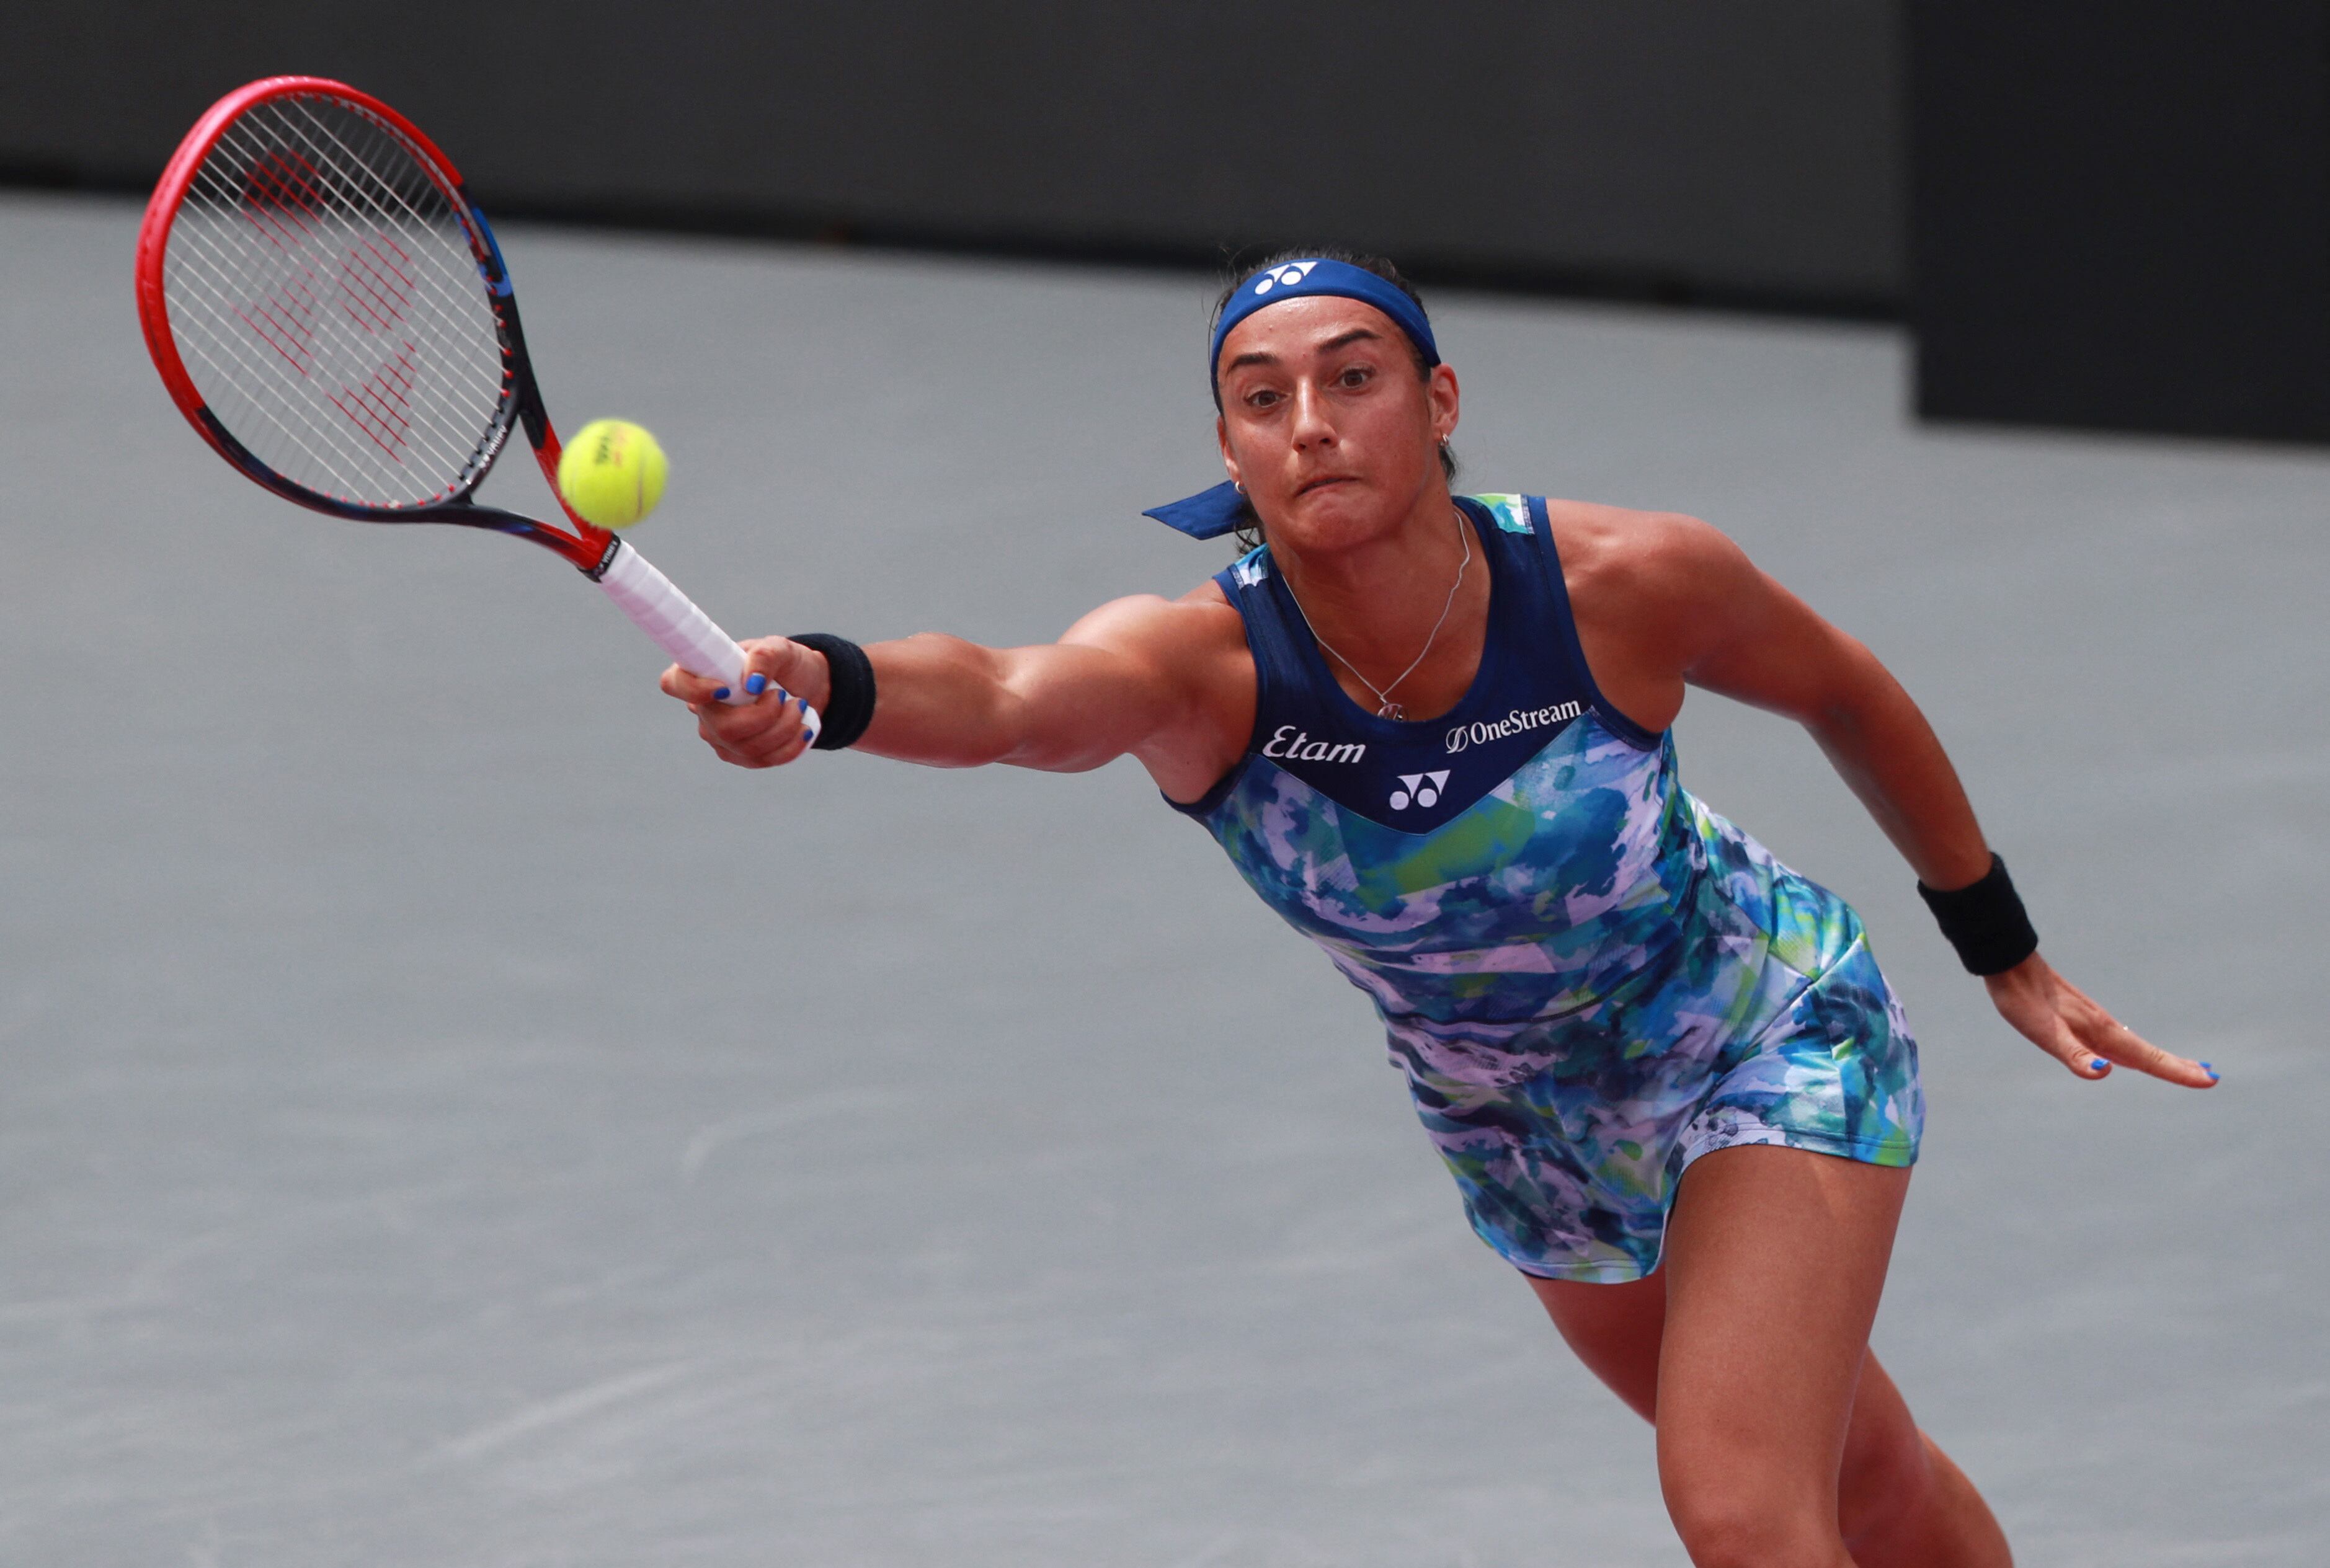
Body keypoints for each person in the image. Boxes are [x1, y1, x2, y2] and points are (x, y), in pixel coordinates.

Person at [661, 252, 2217, 1568]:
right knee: (1861, 1477)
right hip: (1522, 1131)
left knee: (1742, 1506)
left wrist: (1997, 942)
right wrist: (830, 681)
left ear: (1439, 402)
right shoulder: (1200, 668)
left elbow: (1845, 692)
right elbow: (1005, 692)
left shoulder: (1620, 580)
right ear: (1228, 441)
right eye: (1264, 399)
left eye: (1354, 379)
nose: (1313, 425)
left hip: (1759, 1028)